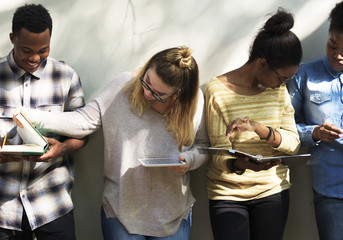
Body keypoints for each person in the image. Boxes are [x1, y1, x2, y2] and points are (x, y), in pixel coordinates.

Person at [14, 46, 209, 239]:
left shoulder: (194, 103)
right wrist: (32, 117)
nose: (148, 93)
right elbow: (84, 121)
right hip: (121, 211)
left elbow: (203, 147)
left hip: (173, 215)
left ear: (178, 95)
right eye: (147, 82)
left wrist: (189, 161)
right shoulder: (124, 85)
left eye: (159, 94)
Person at [205, 9, 302, 240]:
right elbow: (218, 156)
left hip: (272, 191)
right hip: (227, 194)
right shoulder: (217, 91)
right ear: (261, 64)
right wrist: (241, 163)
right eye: (281, 78)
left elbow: (294, 145)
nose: (282, 85)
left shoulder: (278, 93)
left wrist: (260, 129)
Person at [0, 4, 87, 240]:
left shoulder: (66, 76)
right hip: (4, 208)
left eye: (44, 49)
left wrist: (63, 148)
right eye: (26, 50)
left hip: (52, 202)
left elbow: (81, 132)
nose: (35, 58)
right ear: (12, 39)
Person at [287, 2, 343, 239]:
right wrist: (315, 132)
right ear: (328, 34)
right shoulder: (304, 76)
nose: (338, 55)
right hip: (330, 189)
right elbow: (286, 129)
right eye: (333, 45)